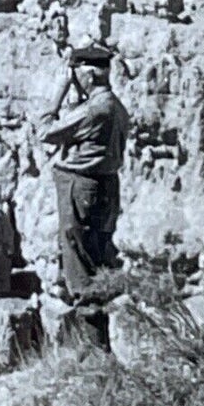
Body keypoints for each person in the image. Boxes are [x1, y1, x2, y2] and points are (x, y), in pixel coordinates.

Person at [38, 41, 130, 301]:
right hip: (105, 186)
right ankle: (96, 321)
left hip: (80, 187)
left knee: (79, 261)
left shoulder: (93, 110)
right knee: (96, 257)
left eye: (77, 72)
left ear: (88, 75)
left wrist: (59, 91)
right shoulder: (115, 106)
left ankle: (88, 330)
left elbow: (45, 131)